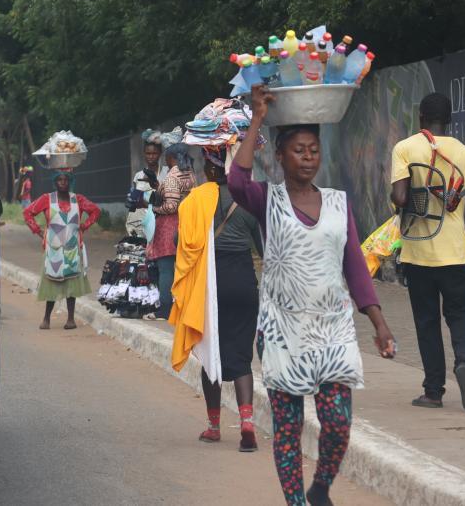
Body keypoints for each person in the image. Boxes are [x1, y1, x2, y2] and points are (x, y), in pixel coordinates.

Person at [229, 85, 396, 506]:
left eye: (314, 150)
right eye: (299, 150)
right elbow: (236, 180)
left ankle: (321, 485)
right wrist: (258, 118)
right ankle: (297, 503)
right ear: (280, 156)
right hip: (283, 330)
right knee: (288, 429)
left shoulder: (338, 203)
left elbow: (354, 265)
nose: (308, 157)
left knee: (337, 424)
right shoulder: (267, 199)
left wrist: (378, 322)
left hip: (332, 329)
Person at [390, 92, 465, 411]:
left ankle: (433, 391)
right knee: (459, 315)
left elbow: (400, 197)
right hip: (456, 254)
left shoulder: (405, 148)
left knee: (427, 322)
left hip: (417, 255)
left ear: (421, 117)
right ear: (449, 120)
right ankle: (464, 364)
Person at [171, 146, 263, 452]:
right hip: (244, 283)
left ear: (210, 169)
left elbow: (179, 240)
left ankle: (213, 426)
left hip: (211, 285)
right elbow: (263, 248)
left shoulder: (195, 200)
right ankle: (247, 423)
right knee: (242, 357)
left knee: (212, 355)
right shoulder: (247, 200)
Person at [23, 171, 101, 330]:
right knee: (51, 282)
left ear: (70, 182)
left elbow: (95, 211)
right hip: (53, 249)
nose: (63, 182)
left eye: (66, 180)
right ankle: (46, 318)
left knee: (71, 284)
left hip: (72, 248)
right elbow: (28, 213)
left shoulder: (78, 199)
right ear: (55, 182)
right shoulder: (47, 199)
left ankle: (71, 319)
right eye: (59, 179)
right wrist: (37, 231)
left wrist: (84, 227)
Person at [147, 142, 196, 320]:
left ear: (171, 158)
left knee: (166, 268)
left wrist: (153, 208)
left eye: (166, 157)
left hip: (169, 226)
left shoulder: (172, 176)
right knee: (183, 268)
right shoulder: (190, 174)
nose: (165, 161)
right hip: (186, 223)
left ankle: (165, 309)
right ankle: (186, 307)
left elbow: (171, 206)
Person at [125, 133, 167, 240]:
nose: (151, 157)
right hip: (140, 223)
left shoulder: (166, 173)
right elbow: (134, 202)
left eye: (154, 153)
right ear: (144, 154)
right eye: (148, 153)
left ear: (160, 153)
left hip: (160, 221)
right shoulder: (138, 176)